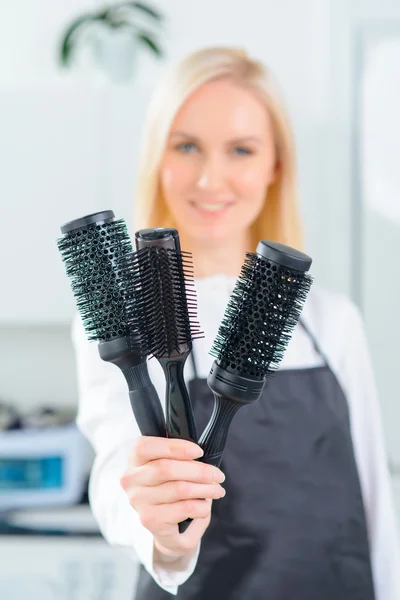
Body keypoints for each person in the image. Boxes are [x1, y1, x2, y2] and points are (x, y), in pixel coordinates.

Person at [72, 47, 400, 599]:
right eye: (187, 146)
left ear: (275, 165)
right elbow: (114, 466)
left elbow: (373, 498)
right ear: (158, 156)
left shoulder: (331, 319)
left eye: (241, 149)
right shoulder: (125, 321)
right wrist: (159, 532)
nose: (210, 177)